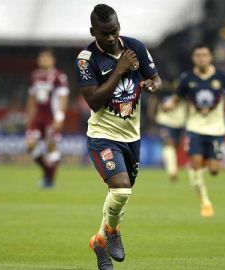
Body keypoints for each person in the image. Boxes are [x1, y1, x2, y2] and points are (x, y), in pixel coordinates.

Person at [75, 4, 161, 270]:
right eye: (104, 34)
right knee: (121, 188)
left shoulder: (136, 46)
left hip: (131, 137)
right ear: (93, 32)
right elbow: (94, 101)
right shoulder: (86, 59)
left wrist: (151, 85)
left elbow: (157, 79)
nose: (111, 38)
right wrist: (120, 70)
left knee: (119, 193)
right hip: (102, 135)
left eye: (114, 31)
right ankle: (113, 233)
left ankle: (100, 241)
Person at [165, 44, 225, 217]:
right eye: (198, 55)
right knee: (194, 164)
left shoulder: (221, 76)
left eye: (204, 55)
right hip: (194, 127)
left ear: (210, 57)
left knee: (214, 170)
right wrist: (169, 105)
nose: (201, 58)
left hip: (216, 129)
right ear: (193, 58)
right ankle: (205, 201)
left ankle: (202, 163)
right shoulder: (187, 78)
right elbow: (177, 98)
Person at [25, 49, 69, 188]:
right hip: (37, 118)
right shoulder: (35, 76)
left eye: (46, 58)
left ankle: (49, 180)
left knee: (51, 147)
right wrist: (29, 117)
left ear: (52, 60)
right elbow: (32, 99)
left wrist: (60, 117)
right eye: (41, 57)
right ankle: (48, 173)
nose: (43, 60)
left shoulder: (58, 76)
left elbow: (63, 97)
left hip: (51, 118)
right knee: (30, 145)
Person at [148, 80, 187, 182]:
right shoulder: (162, 93)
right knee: (169, 144)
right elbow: (153, 102)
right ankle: (172, 171)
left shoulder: (183, 93)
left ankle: (172, 167)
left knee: (175, 147)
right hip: (165, 122)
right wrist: (153, 118)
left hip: (179, 124)